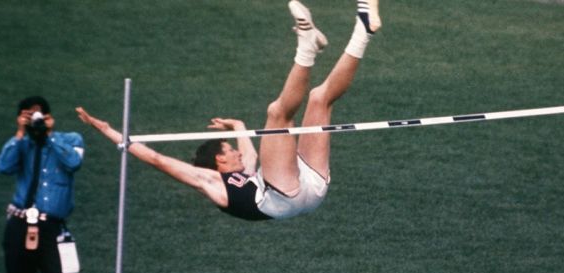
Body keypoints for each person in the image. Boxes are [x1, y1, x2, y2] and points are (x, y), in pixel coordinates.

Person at [76, 0, 382, 221]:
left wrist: (237, 125)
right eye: (230, 151)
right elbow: (157, 159)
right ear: (219, 160)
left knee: (320, 99)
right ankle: (306, 46)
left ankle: (363, 29)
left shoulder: (246, 172)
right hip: (282, 195)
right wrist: (111, 132)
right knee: (277, 114)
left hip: (307, 189)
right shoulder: (212, 184)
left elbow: (249, 151)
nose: (236, 153)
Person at [0, 96, 85, 273]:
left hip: (53, 229)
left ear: (49, 116)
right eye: (29, 115)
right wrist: (21, 132)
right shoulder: (21, 144)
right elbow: (3, 166)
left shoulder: (70, 140)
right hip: (19, 225)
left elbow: (74, 162)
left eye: (39, 115)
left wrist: (49, 135)